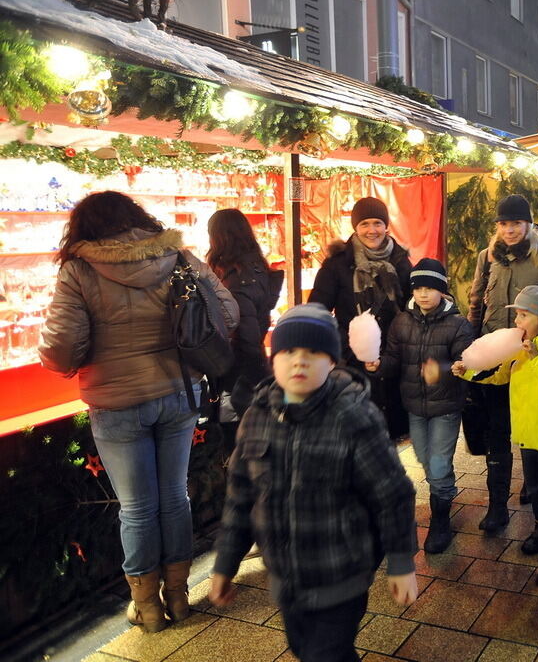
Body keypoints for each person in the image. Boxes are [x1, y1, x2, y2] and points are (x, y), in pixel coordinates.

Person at [39, 191, 240, 633]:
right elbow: (227, 312)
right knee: (173, 496)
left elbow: (60, 351)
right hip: (178, 392)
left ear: (83, 228)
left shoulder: (78, 270)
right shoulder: (179, 257)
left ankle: (148, 608)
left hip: (116, 403)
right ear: (138, 218)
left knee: (137, 507)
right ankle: (180, 598)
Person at [209, 304, 418, 661]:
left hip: (341, 573)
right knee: (305, 649)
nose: (299, 361)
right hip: (285, 576)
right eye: (288, 351)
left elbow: (392, 493)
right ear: (274, 358)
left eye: (313, 352)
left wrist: (401, 561)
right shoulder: (258, 415)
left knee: (326, 655)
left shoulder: (352, 416)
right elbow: (241, 496)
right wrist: (226, 562)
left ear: (333, 361)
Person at [454, 279, 538, 585]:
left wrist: (535, 358)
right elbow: (498, 377)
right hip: (526, 433)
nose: (517, 321)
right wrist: (468, 371)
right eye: (517, 315)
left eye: (524, 315)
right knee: (534, 491)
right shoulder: (517, 350)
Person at [467, 194, 538, 532]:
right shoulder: (487, 257)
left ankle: (535, 492)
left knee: (529, 431)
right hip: (495, 357)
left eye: (516, 223)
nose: (510, 230)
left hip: (529, 359)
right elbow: (475, 303)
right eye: (504, 224)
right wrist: (471, 345)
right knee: (497, 432)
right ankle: (498, 507)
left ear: (528, 224)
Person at [366, 258, 475, 553]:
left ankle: (441, 520)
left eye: (430, 288)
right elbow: (394, 359)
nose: (424, 294)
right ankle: (443, 491)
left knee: (438, 464)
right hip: (414, 405)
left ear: (442, 290)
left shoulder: (458, 323)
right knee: (425, 460)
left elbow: (466, 361)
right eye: (418, 289)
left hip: (446, 406)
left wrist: (447, 368)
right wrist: (378, 365)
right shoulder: (402, 322)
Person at [309, 196, 412, 440]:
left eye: (377, 223)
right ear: (355, 227)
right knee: (358, 433)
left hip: (393, 360)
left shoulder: (400, 261)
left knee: (390, 435)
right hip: (353, 362)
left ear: (386, 226)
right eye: (365, 223)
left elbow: (412, 306)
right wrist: (344, 348)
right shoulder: (338, 265)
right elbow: (317, 311)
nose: (372, 230)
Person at [206, 209, 284, 419]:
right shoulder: (255, 266)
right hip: (249, 364)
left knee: (237, 433)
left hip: (240, 370)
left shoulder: (237, 276)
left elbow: (245, 329)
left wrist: (254, 375)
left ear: (219, 237)